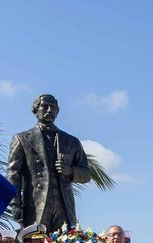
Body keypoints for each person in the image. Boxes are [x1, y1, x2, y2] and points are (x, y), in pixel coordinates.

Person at [7, 94, 91, 232]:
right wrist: (15, 205)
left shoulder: (71, 141)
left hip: (63, 205)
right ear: (36, 109)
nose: (49, 110)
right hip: (35, 205)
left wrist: (71, 171)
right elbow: (13, 174)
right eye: (45, 106)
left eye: (53, 107)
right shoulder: (22, 138)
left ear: (57, 112)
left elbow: (86, 174)